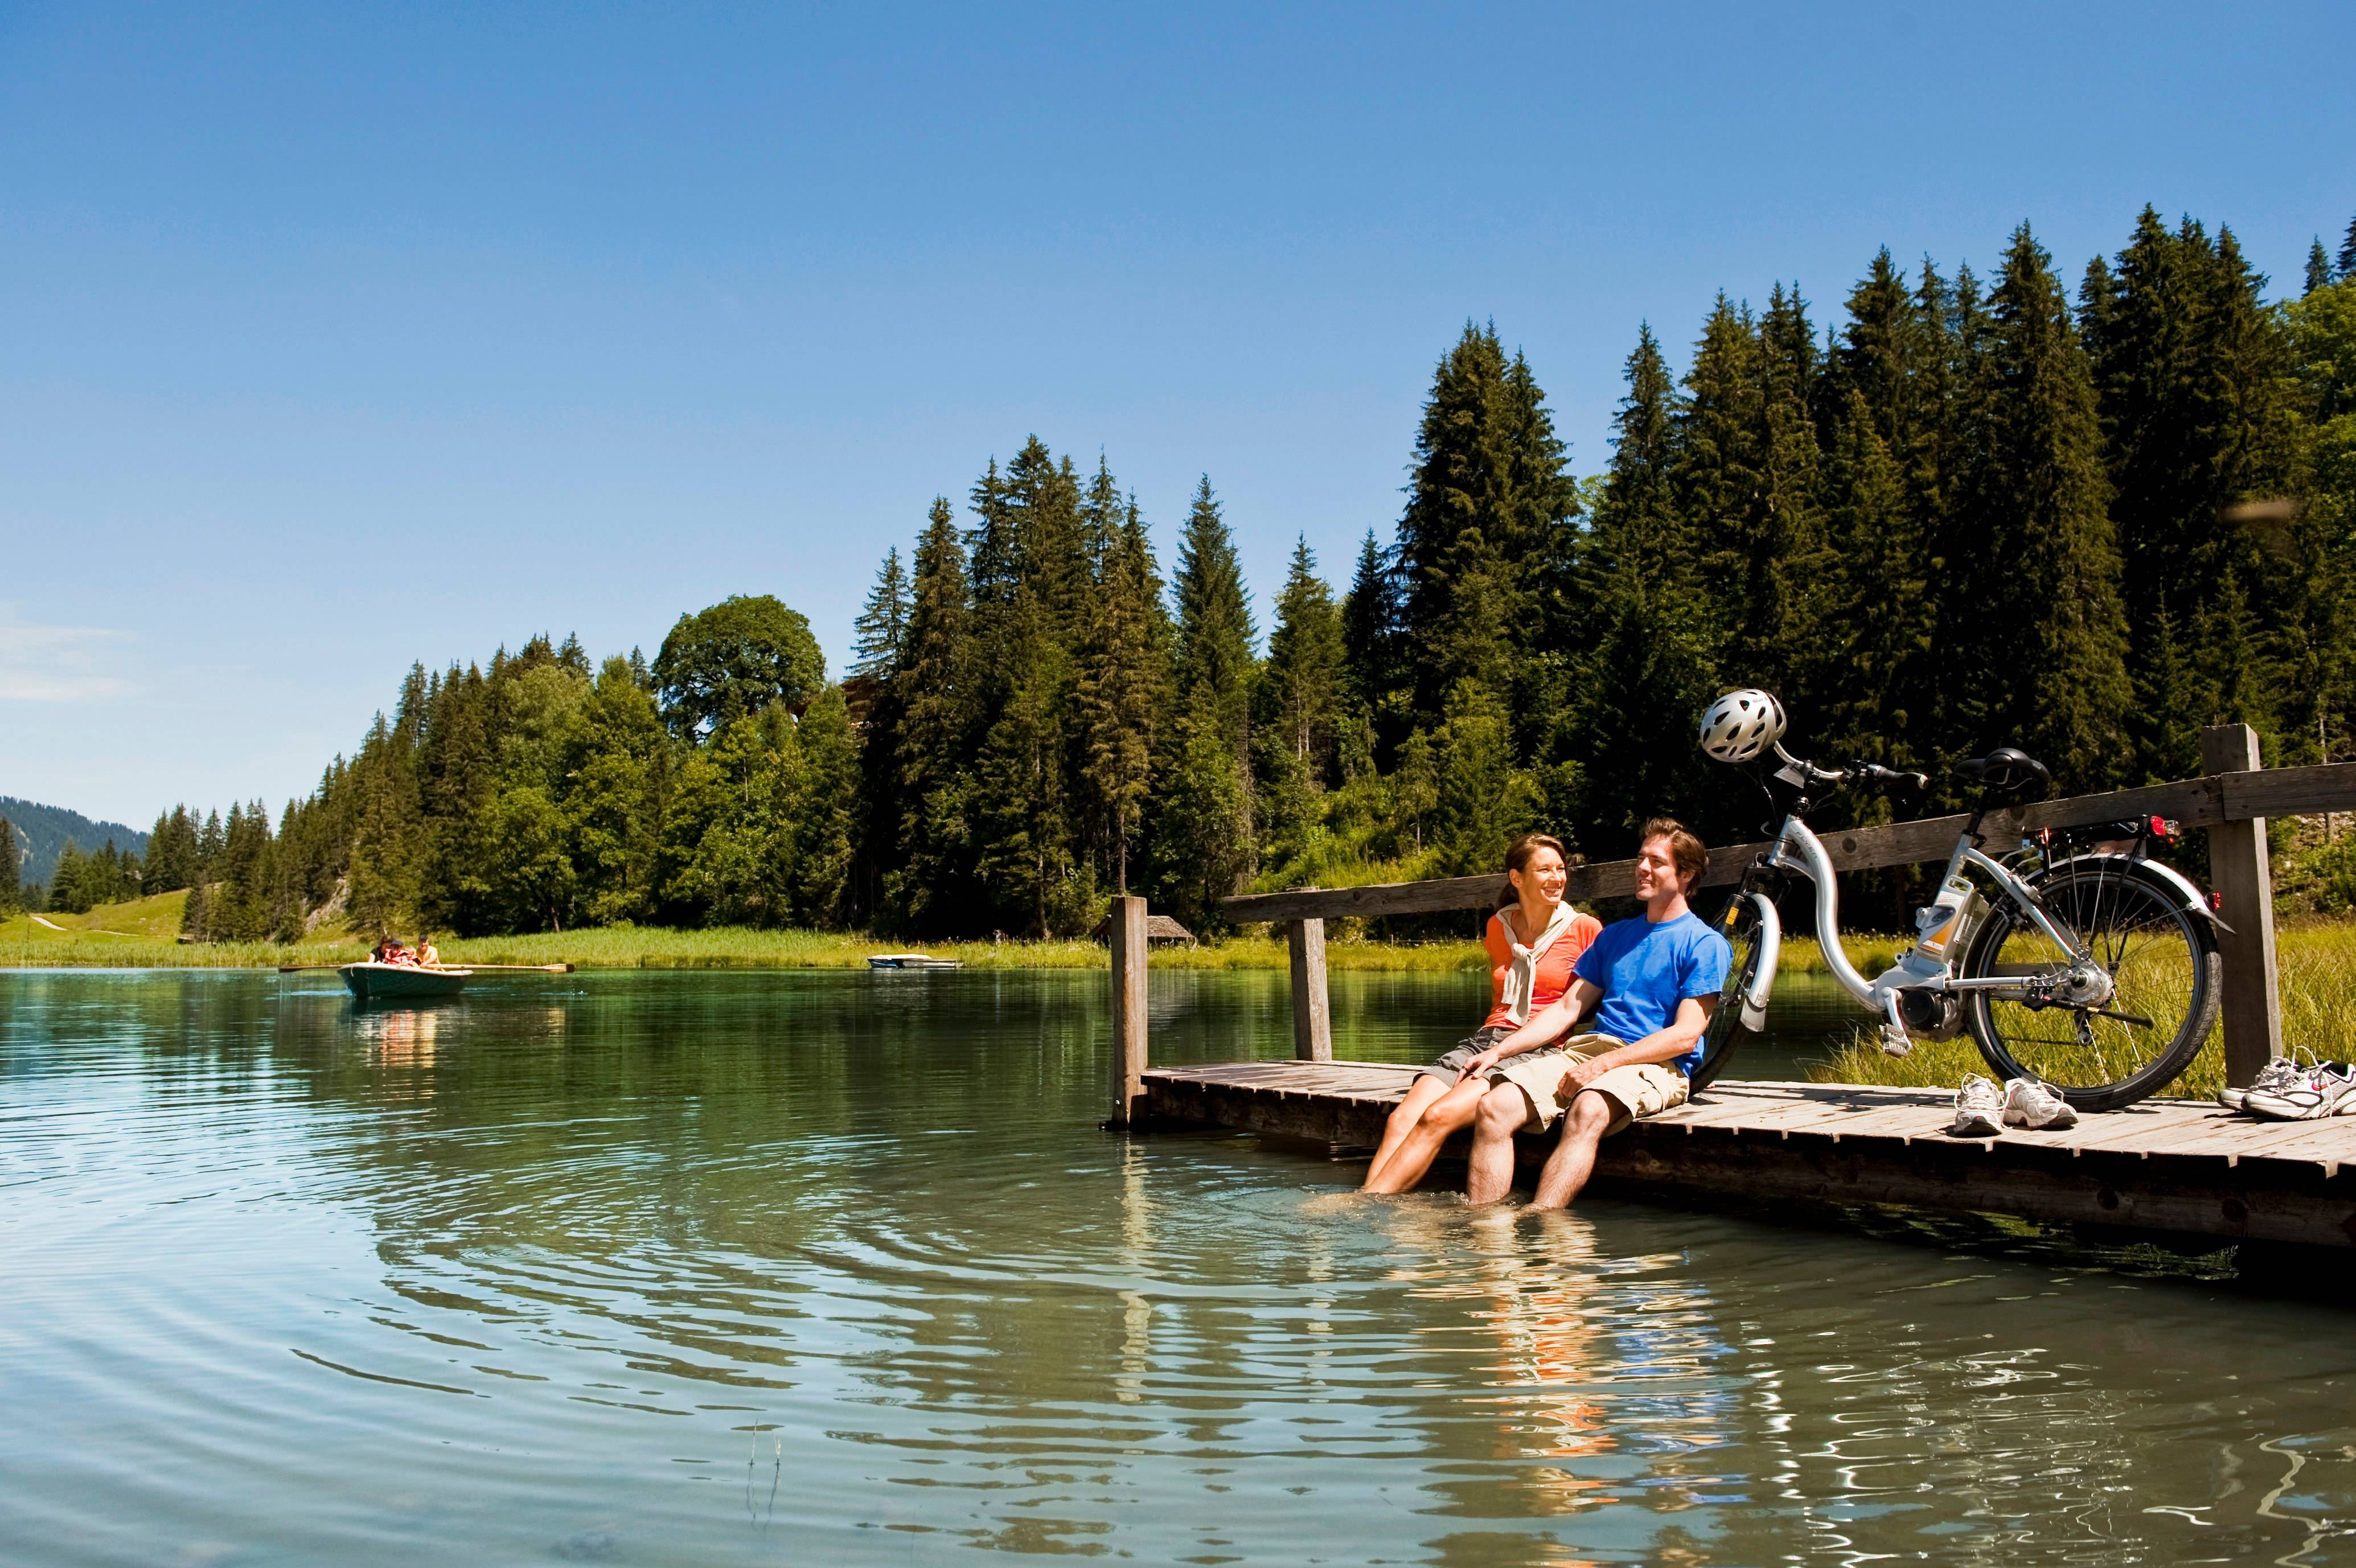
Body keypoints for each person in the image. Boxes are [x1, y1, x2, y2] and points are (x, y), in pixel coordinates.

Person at [1458, 819, 1730, 1208]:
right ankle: (1490, 1236)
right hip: (1591, 1053)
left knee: (1587, 1107)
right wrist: (1499, 1052)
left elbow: (1686, 1036)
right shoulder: (1615, 936)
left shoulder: (1705, 944)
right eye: (1640, 858)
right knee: (1493, 1106)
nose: (1642, 868)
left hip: (1659, 1064)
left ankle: (1541, 1224)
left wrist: (1602, 1067)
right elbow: (1568, 1008)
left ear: (1685, 875)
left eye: (1656, 862)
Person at [1360, 834, 1602, 1195]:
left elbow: (1582, 1005)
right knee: (1401, 1119)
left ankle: (1363, 1207)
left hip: (1541, 1047)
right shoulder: (1498, 927)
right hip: (1486, 1038)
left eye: (1560, 869)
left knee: (1436, 1117)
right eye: (1544, 870)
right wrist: (1491, 1046)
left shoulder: (1585, 928)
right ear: (1517, 879)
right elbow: (1502, 1002)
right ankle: (1370, 1205)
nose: (1557, 878)